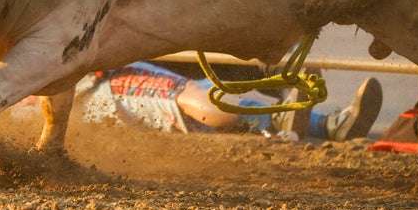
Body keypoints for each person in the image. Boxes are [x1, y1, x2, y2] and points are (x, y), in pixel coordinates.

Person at [73, 62, 383, 142]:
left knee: (207, 93)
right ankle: (279, 117)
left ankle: (329, 127)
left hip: (97, 84)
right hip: (98, 83)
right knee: (188, 95)